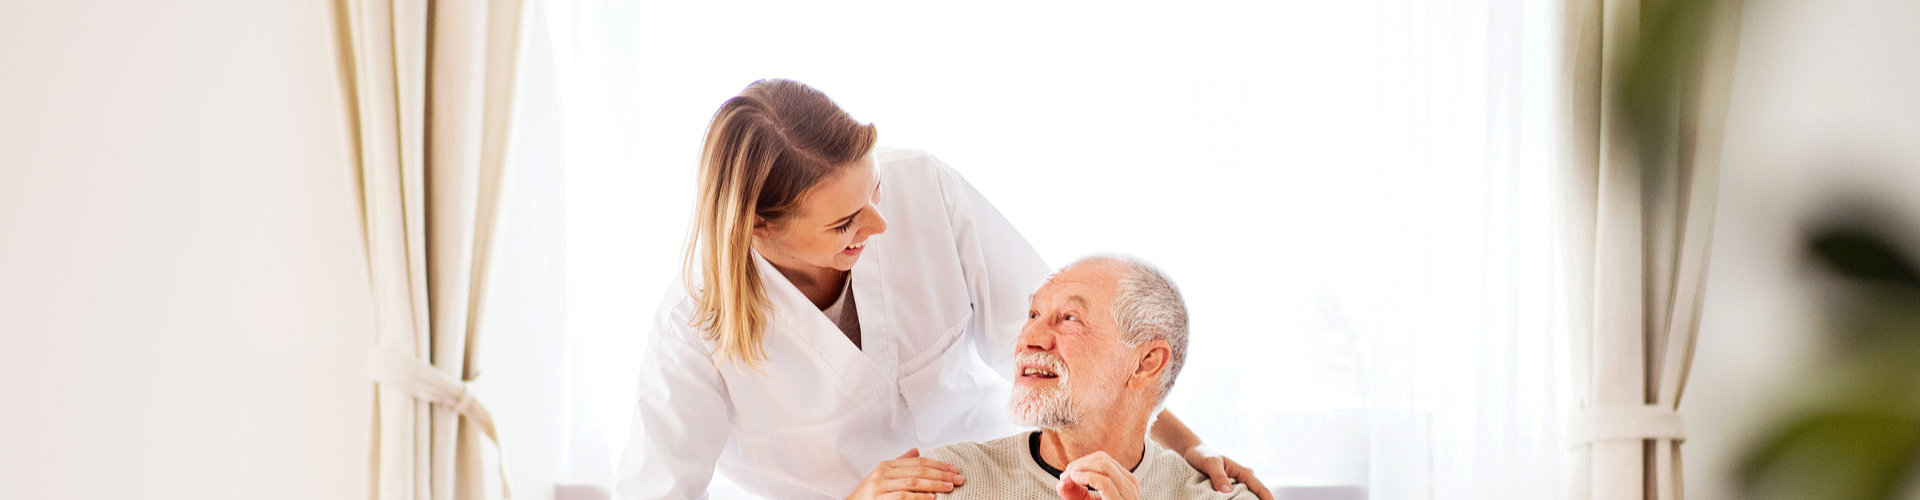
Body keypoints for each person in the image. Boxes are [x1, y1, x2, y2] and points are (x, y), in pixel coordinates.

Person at [617, 79, 1271, 500]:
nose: (879, 223)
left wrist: (1187, 449)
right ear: (760, 230)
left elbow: (1057, 347)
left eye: (871, 190)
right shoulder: (693, 326)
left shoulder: (923, 188)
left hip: (994, 480)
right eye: (845, 223)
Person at [921, 255, 1254, 500]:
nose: (1028, 337)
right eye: (1033, 314)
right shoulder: (941, 483)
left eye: (1069, 318)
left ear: (1145, 363)